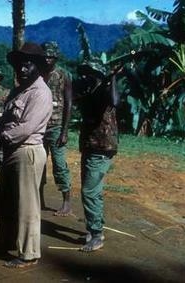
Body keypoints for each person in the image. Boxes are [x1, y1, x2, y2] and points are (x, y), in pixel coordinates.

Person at [0, 42, 52, 268]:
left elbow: (26, 128)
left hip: (27, 151)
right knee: (5, 202)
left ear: (37, 66)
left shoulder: (40, 93)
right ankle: (5, 243)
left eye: (27, 65)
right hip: (12, 151)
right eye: (19, 65)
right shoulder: (19, 90)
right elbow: (5, 120)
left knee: (27, 205)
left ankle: (29, 254)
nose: (22, 69)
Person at [74, 57, 119, 252]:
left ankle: (97, 232)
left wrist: (113, 79)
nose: (85, 76)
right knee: (93, 191)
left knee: (89, 192)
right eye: (84, 73)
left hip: (101, 148)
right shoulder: (87, 92)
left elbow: (115, 101)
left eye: (90, 73)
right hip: (90, 146)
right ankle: (94, 229)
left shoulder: (105, 92)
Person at [39, 41, 73, 216]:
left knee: (59, 165)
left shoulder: (63, 75)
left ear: (55, 58)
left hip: (56, 127)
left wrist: (65, 131)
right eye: (45, 56)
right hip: (38, 127)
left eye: (50, 56)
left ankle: (66, 201)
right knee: (39, 165)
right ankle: (39, 199)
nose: (47, 59)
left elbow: (69, 103)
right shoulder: (36, 75)